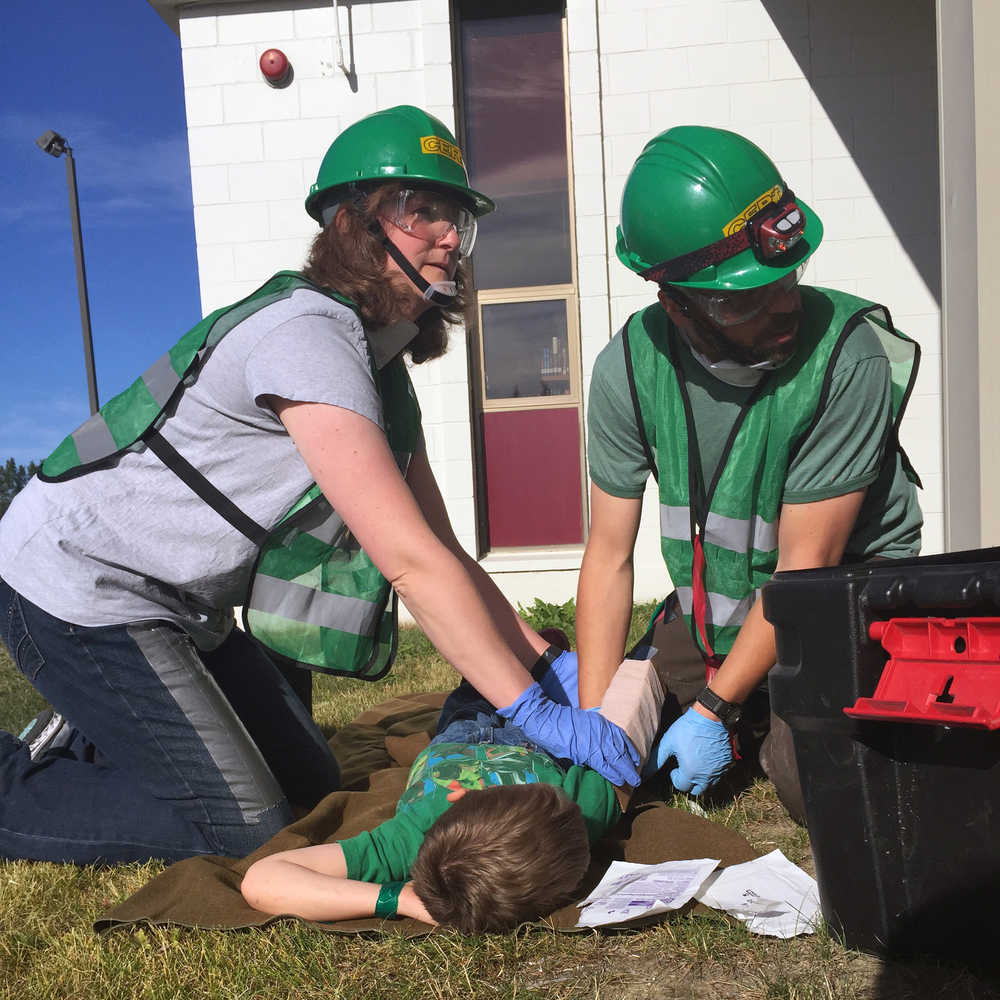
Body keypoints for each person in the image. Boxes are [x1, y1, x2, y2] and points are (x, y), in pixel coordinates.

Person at [0, 105, 638, 865]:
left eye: (456, 219)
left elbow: (442, 550)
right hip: (82, 586)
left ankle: (109, 731)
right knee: (251, 832)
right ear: (351, 226)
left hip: (183, 606)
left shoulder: (377, 367)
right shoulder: (307, 334)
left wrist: (545, 664)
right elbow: (408, 564)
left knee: (311, 782)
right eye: (420, 212)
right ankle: (17, 778)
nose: (447, 237)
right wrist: (528, 710)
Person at [574, 126, 922, 816]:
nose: (784, 304)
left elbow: (806, 571)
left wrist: (710, 709)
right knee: (620, 738)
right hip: (718, 620)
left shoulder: (847, 361)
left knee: (816, 784)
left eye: (785, 276)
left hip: (839, 615)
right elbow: (608, 555)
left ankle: (763, 724)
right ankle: (741, 710)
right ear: (672, 298)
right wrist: (593, 721)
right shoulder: (629, 371)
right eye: (744, 298)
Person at [240, 679, 623, 933]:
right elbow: (618, 754)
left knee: (480, 688)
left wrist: (397, 898)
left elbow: (262, 881)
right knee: (539, 683)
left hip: (459, 731)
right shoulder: (574, 815)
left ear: (458, 797)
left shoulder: (411, 837)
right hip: (540, 737)